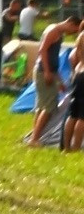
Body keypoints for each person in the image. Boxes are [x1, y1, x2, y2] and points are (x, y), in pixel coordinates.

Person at [28, 8, 79, 146]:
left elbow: (53, 57)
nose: (72, 34)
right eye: (73, 30)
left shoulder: (57, 32)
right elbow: (43, 50)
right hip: (44, 71)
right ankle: (34, 139)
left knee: (42, 106)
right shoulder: (54, 31)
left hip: (49, 71)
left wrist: (59, 80)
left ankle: (35, 136)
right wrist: (47, 71)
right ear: (71, 23)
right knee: (49, 107)